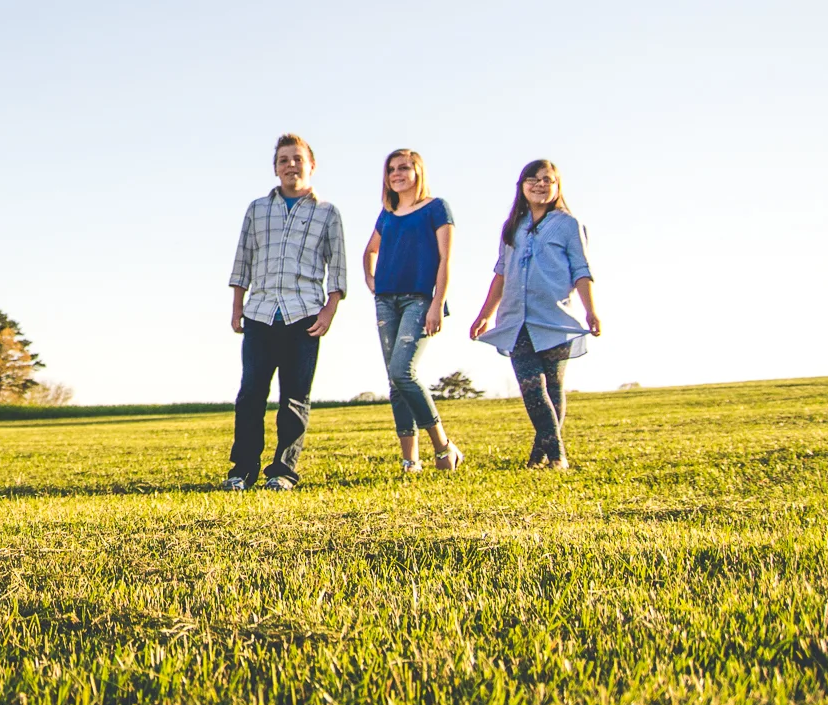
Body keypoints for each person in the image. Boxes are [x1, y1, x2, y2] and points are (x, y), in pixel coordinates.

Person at [224, 133, 348, 491]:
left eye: (297, 159)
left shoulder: (327, 213)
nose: (290, 165)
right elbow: (242, 260)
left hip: (304, 314)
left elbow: (337, 266)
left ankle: (283, 471)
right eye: (283, 160)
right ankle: (242, 470)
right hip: (260, 313)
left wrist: (329, 311)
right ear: (275, 168)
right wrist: (237, 308)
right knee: (250, 395)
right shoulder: (257, 209)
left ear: (311, 165)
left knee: (295, 397)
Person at [467, 159, 602, 469]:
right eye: (533, 179)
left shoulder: (568, 225)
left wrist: (591, 311)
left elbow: (582, 271)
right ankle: (557, 456)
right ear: (522, 186)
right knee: (532, 388)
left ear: (557, 187)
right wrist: (486, 314)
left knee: (552, 390)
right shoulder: (512, 226)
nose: (540, 184)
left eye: (547, 180)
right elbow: (501, 273)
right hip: (517, 320)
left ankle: (542, 457)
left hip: (555, 319)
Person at [361, 148, 463, 473]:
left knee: (403, 371)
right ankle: (410, 460)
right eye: (391, 169)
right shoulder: (387, 213)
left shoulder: (436, 208)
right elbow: (370, 251)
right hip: (385, 301)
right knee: (395, 381)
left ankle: (444, 446)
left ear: (418, 171)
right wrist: (371, 280)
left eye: (403, 168)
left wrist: (437, 302)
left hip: (419, 300)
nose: (396, 174)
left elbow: (447, 259)